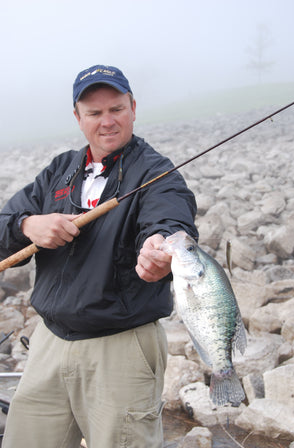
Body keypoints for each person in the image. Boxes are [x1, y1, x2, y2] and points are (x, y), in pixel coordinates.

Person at [0, 65, 198, 448]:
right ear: (78, 118)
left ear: (133, 108)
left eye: (116, 109)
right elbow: (4, 222)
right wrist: (29, 225)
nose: (107, 122)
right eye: (94, 113)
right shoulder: (60, 169)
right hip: (48, 343)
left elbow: (170, 220)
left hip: (121, 347)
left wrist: (157, 249)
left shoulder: (158, 172)